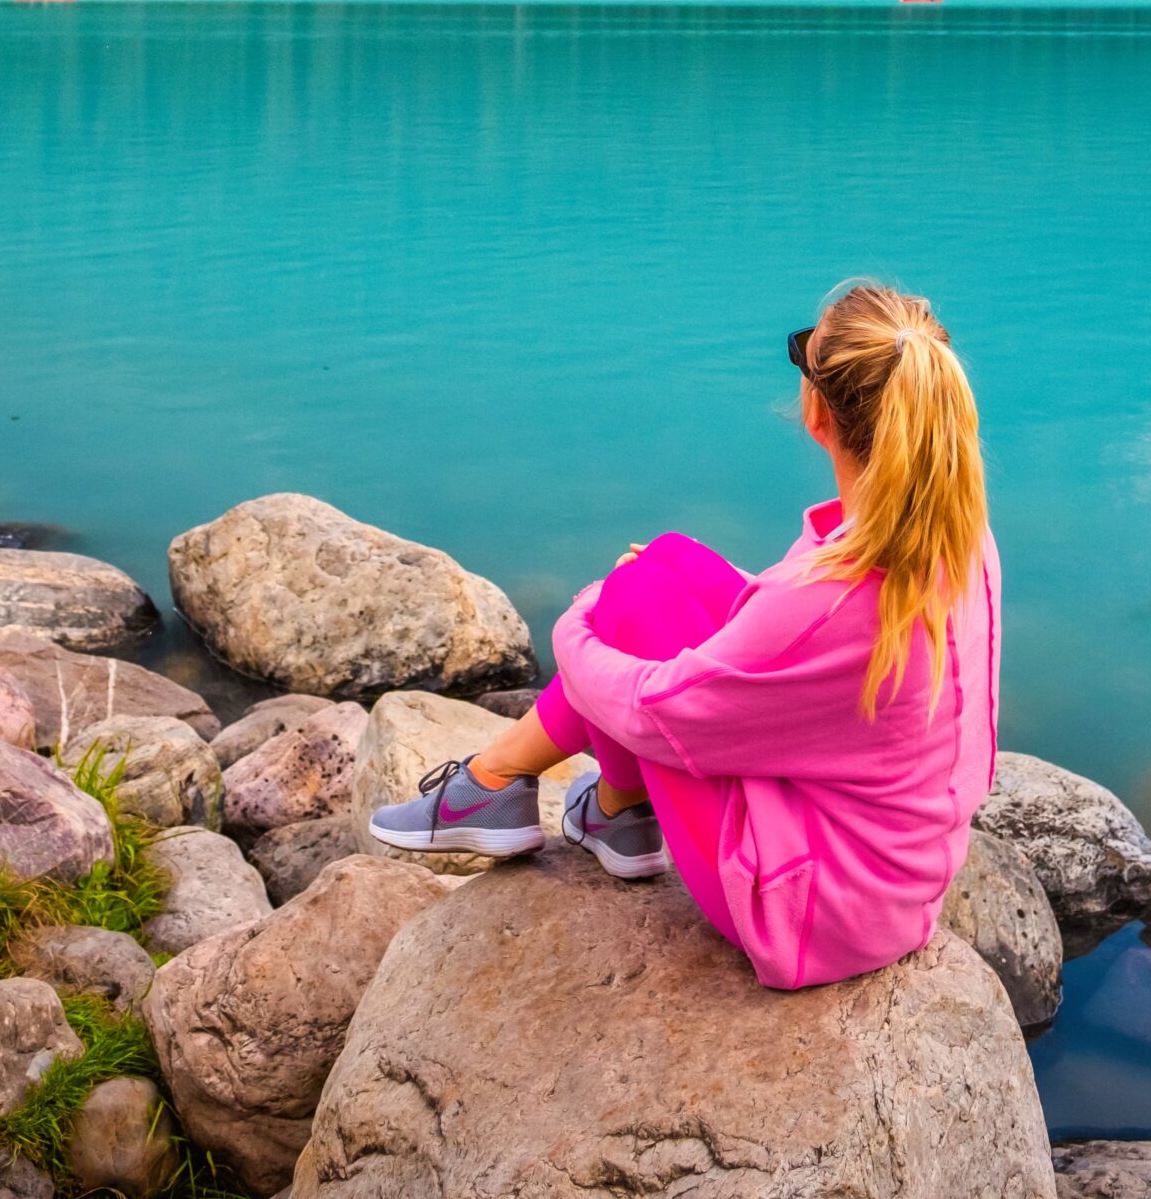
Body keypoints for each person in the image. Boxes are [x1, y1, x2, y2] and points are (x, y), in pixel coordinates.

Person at [369, 279, 1001, 991]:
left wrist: (584, 616)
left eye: (802, 353)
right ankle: (597, 811)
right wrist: (670, 584)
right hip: (893, 878)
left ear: (817, 411)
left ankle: (506, 788)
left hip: (811, 917)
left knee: (624, 608)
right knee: (667, 560)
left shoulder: (826, 598)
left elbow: (653, 712)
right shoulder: (957, 536)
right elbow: (786, 628)